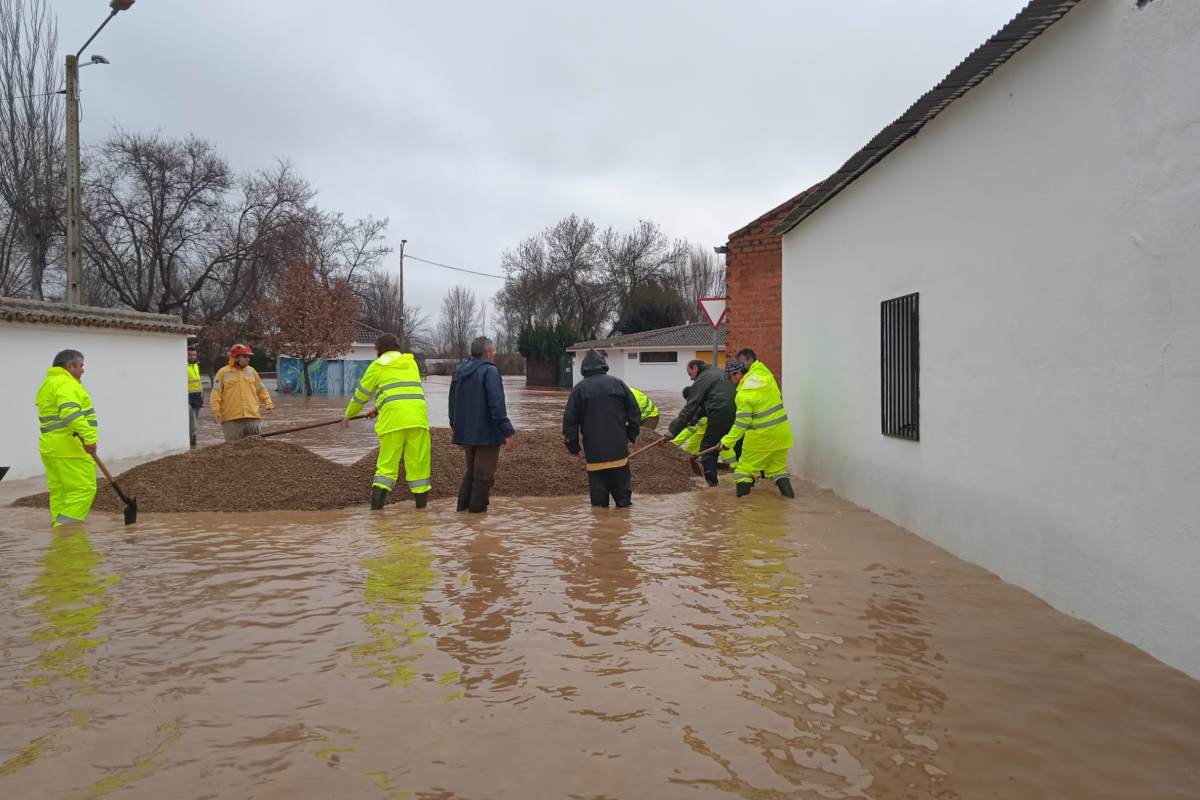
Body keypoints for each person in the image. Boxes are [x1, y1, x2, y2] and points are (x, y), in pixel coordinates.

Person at [343, 334, 431, 510]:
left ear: (378, 350)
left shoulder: (377, 366)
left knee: (386, 469)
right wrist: (377, 408)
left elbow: (361, 395)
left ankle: (376, 514)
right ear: (397, 348)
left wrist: (348, 415)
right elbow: (401, 391)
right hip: (419, 420)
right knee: (419, 469)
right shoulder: (411, 363)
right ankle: (421, 513)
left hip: (393, 423)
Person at [562, 349, 642, 508]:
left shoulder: (579, 389)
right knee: (624, 503)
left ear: (584, 368)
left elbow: (570, 421)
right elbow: (634, 412)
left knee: (599, 506)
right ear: (604, 365)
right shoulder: (618, 383)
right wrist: (630, 435)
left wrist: (573, 446)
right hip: (619, 451)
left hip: (594, 454)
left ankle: (601, 529)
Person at [449, 336, 515, 514]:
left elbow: (452, 404)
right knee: (483, 477)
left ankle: (462, 512)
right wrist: (507, 432)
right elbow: (496, 404)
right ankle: (477, 517)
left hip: (466, 435)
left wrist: (457, 431)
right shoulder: (490, 371)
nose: (493, 355)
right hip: (487, 435)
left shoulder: (459, 371)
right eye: (492, 352)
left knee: (471, 473)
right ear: (487, 353)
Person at [35, 349, 100, 527]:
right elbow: (70, 414)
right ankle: (66, 534)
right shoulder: (66, 384)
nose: (83, 370)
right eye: (81, 365)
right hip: (69, 447)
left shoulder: (48, 383)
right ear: (69, 366)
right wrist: (90, 438)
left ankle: (58, 533)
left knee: (61, 491)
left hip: (51, 447)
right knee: (83, 489)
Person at [721, 359, 795, 498]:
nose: (730, 381)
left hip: (762, 438)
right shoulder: (765, 376)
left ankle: (743, 509)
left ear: (737, 374)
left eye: (730, 377)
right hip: (782, 435)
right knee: (778, 470)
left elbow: (742, 423)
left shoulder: (743, 395)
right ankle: (790, 501)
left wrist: (727, 442)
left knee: (743, 470)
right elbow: (758, 366)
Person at [666, 359, 736, 486]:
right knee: (739, 446)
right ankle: (749, 482)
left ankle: (712, 487)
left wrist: (672, 430)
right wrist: (696, 417)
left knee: (708, 448)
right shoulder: (719, 372)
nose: (691, 379)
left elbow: (690, 407)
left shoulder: (702, 379)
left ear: (695, 368)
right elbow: (711, 400)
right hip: (740, 411)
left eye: (690, 374)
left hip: (721, 412)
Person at [211, 343, 273, 442]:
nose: (248, 359)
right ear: (236, 357)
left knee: (255, 448)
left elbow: (261, 390)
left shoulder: (252, 372)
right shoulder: (222, 373)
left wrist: (268, 404)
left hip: (252, 417)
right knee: (233, 448)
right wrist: (215, 412)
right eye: (245, 356)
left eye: (248, 356)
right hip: (231, 419)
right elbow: (216, 394)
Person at [670, 386, 706, 455]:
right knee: (691, 448)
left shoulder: (700, 405)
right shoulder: (701, 398)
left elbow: (690, 429)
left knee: (691, 447)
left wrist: (673, 443)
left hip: (712, 423)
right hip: (711, 424)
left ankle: (731, 464)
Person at [187, 345, 203, 447]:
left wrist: (202, 395)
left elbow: (198, 382)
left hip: (198, 397)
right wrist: (187, 401)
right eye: (189, 355)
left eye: (194, 355)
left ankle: (193, 444)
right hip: (189, 397)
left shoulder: (196, 365)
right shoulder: (183, 366)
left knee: (195, 421)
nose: (192, 356)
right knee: (193, 424)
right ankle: (192, 444)